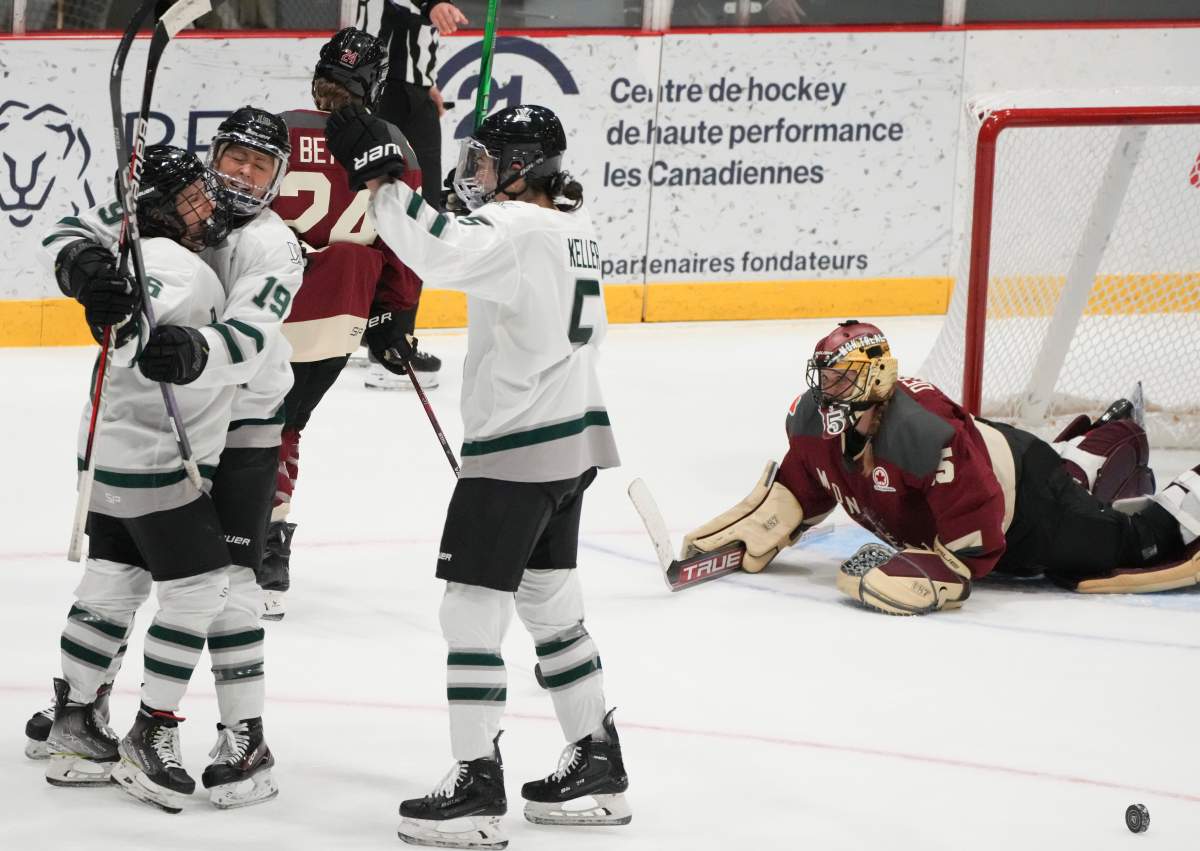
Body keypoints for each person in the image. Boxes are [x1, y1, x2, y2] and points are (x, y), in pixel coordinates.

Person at [324, 103, 631, 847]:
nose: (477, 176)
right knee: (553, 606)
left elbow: (441, 251)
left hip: (519, 452)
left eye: (489, 162)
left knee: (470, 613)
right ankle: (598, 759)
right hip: (573, 445)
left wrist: (385, 179)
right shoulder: (571, 226)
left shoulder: (518, 227)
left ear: (522, 167)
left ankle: (475, 784)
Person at [26, 112, 302, 808]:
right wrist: (84, 268)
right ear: (212, 157)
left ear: (278, 179)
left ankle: (243, 734)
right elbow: (70, 233)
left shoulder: (273, 243)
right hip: (168, 428)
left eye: (259, 166)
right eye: (233, 157)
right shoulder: (178, 191)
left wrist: (195, 350)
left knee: (229, 583)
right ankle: (88, 711)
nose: (239, 175)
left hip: (240, 430)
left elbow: (253, 339)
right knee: (136, 572)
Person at [681, 320, 1200, 615]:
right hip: (999, 454)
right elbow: (806, 480)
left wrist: (944, 568)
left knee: (1137, 541)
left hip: (1026, 509)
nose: (826, 393)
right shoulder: (817, 422)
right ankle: (1111, 435)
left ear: (876, 379)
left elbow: (979, 534)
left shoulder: (922, 436)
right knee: (1074, 480)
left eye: (840, 381)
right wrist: (769, 516)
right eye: (824, 380)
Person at [263, 27, 425, 618]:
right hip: (338, 317)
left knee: (240, 423)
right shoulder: (398, 150)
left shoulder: (275, 129)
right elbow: (407, 245)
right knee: (287, 425)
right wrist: (393, 317)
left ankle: (223, 534)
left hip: (261, 311)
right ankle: (269, 545)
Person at [362, 0, 468, 391]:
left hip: (398, 87)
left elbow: (402, 27)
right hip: (393, 91)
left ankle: (372, 329)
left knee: (390, 206)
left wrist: (425, 79)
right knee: (415, 213)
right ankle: (392, 348)